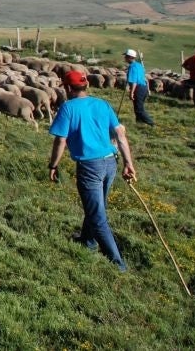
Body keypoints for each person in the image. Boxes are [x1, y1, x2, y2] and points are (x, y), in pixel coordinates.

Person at [48, 69, 136, 272]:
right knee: (97, 205)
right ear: (86, 85)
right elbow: (120, 135)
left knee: (97, 214)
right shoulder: (102, 104)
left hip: (90, 166)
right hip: (110, 163)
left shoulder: (68, 108)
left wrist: (53, 165)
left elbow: (61, 140)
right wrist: (128, 163)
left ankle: (117, 264)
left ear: (68, 88)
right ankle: (87, 241)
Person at [124, 49, 155, 126]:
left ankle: (151, 123)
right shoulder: (139, 65)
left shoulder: (132, 67)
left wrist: (131, 93)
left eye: (126, 56)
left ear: (130, 57)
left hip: (138, 89)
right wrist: (148, 89)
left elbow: (134, 81)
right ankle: (139, 124)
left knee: (139, 109)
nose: (124, 58)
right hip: (143, 88)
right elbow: (144, 78)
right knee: (138, 107)